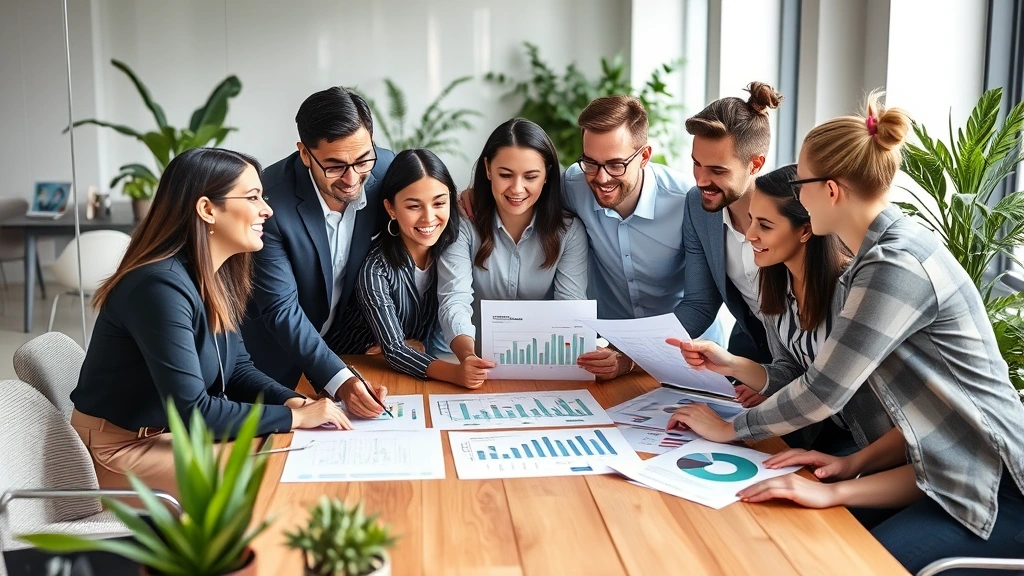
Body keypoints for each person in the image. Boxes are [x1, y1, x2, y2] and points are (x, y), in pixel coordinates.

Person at [667, 92, 1024, 572]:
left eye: (802, 183)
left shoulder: (896, 265)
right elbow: (920, 416)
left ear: (830, 190)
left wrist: (730, 429)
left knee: (846, 562)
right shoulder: (868, 264)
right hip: (932, 470)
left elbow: (824, 391)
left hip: (994, 487)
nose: (797, 193)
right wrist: (852, 468)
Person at [71, 148, 350, 497]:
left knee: (294, 456)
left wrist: (293, 403)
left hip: (167, 436)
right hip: (117, 451)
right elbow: (194, 411)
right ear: (207, 209)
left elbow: (237, 370)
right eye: (252, 197)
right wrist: (295, 418)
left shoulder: (214, 275)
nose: (267, 209)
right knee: (276, 481)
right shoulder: (157, 287)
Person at [668, 164, 892, 453]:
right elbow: (791, 371)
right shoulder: (773, 282)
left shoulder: (851, 291)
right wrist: (730, 362)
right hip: (825, 432)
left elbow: (822, 392)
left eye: (765, 225)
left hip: (875, 444)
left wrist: (728, 429)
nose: (749, 235)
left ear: (805, 231)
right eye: (751, 221)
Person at [239, 87, 394, 418]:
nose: (353, 179)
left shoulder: (385, 172)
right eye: (335, 166)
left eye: (363, 159)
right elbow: (281, 309)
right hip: (270, 363)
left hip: (346, 350)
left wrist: (466, 200)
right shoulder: (270, 203)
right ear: (305, 154)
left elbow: (428, 211)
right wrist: (339, 380)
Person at [558, 95, 724, 379]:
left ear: (644, 156)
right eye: (591, 162)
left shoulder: (688, 201)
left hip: (689, 353)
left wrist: (630, 357)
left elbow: (701, 303)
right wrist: (477, 194)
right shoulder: (573, 186)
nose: (601, 178)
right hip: (611, 355)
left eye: (616, 165)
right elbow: (524, 192)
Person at [438, 118, 587, 386]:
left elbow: (570, 309)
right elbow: (454, 299)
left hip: (544, 367)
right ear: (488, 169)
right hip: (469, 366)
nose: (517, 188)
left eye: (530, 176)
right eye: (506, 174)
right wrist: (469, 358)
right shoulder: (463, 226)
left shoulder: (569, 231)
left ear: (547, 176)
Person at [331, 148, 493, 387]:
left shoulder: (452, 251)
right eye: (414, 206)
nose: (429, 218)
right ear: (391, 209)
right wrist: (457, 373)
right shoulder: (375, 268)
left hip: (417, 370)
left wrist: (414, 347)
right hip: (356, 372)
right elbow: (395, 350)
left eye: (439, 203)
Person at [674, 82, 783, 367]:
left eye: (717, 170)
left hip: (806, 363)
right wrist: (631, 352)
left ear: (756, 164)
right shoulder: (697, 206)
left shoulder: (795, 213)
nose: (700, 180)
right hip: (750, 353)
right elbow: (700, 304)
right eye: (696, 163)